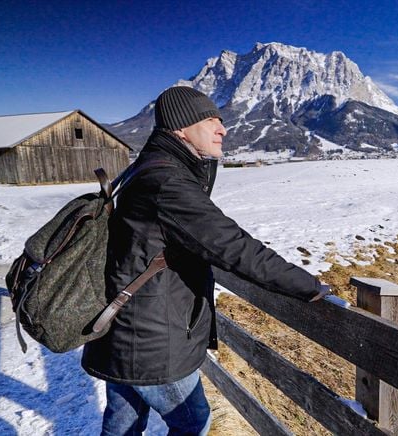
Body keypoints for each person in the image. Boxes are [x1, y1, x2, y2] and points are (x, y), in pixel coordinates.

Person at [81, 86, 329, 435]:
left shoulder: (150, 167)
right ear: (181, 128)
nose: (223, 128)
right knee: (194, 422)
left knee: (123, 425)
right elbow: (232, 246)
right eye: (211, 119)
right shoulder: (167, 181)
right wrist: (310, 286)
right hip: (149, 337)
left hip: (125, 327)